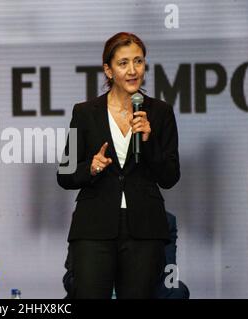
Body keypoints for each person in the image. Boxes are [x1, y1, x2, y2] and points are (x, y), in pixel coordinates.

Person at [57, 32, 180, 298]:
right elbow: (64, 174)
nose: (133, 70)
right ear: (108, 70)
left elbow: (170, 176)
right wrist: (89, 167)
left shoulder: (160, 112)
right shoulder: (85, 112)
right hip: (94, 227)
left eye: (139, 61)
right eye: (123, 63)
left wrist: (148, 142)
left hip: (144, 229)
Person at [62, 212, 190, 299]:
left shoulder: (165, 221)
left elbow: (169, 280)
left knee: (178, 291)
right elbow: (70, 277)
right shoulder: (86, 216)